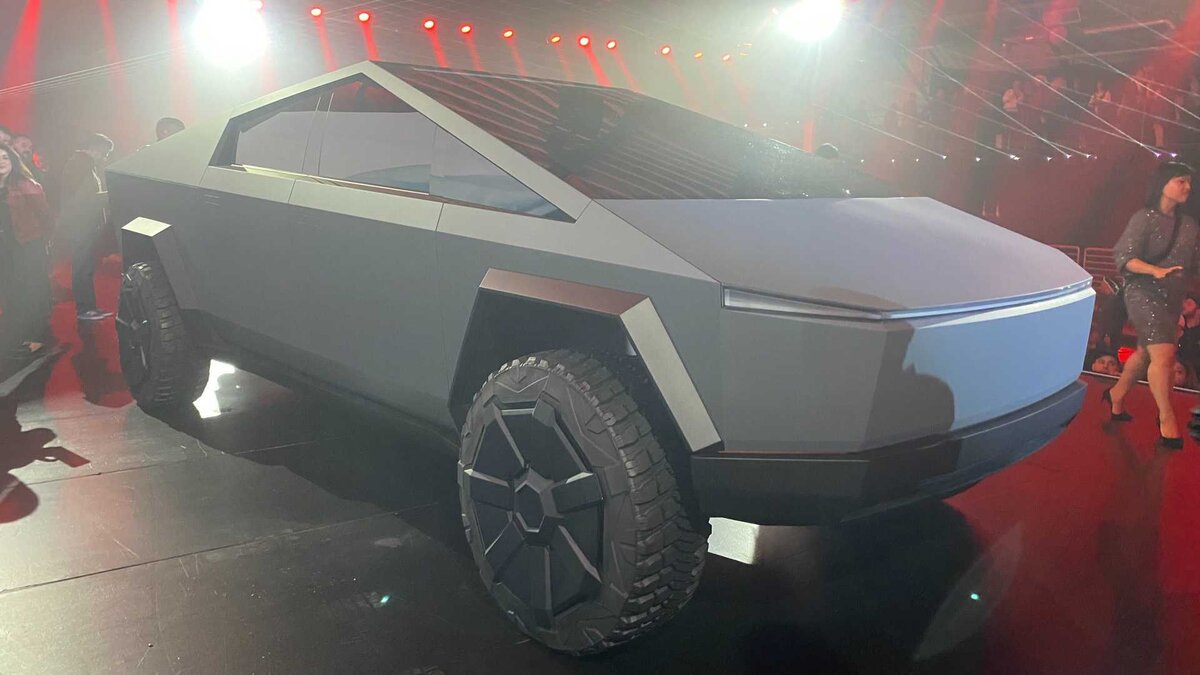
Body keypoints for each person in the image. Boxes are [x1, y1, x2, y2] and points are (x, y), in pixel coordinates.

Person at [1105, 161, 1200, 448]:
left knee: (1147, 354)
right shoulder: (1143, 218)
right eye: (1180, 180)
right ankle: (1167, 421)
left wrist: (1185, 286)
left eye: (1189, 181)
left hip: (1172, 297)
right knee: (1165, 355)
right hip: (1143, 292)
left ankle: (1116, 394)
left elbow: (1193, 264)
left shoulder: (1189, 225)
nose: (1187, 187)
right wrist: (1154, 270)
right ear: (1163, 184)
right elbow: (1124, 257)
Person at [0, 143, 52, 355]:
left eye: (4, 157)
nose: (1, 162)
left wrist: (46, 242)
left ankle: (37, 336)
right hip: (4, 249)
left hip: (27, 245)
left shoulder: (26, 185)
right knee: (9, 292)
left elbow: (45, 216)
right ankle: (15, 335)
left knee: (32, 290)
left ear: (13, 161)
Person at [59, 133, 114, 321]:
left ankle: (88, 307)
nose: (104, 158)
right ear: (95, 148)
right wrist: (108, 196)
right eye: (104, 153)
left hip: (81, 223)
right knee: (83, 266)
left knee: (84, 265)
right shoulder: (80, 165)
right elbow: (83, 198)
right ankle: (85, 309)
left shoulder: (80, 164)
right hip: (80, 224)